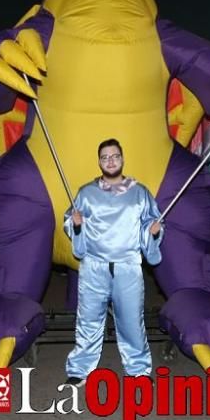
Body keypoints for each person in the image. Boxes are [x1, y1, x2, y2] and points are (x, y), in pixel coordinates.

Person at [64, 139, 163, 386]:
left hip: (127, 268)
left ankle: (139, 371)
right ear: (99, 162)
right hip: (94, 268)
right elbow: (71, 221)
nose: (110, 161)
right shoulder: (86, 193)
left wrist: (152, 231)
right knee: (88, 321)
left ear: (122, 159)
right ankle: (79, 369)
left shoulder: (140, 193)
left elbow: (150, 223)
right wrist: (75, 225)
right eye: (105, 157)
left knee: (131, 321)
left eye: (115, 156)